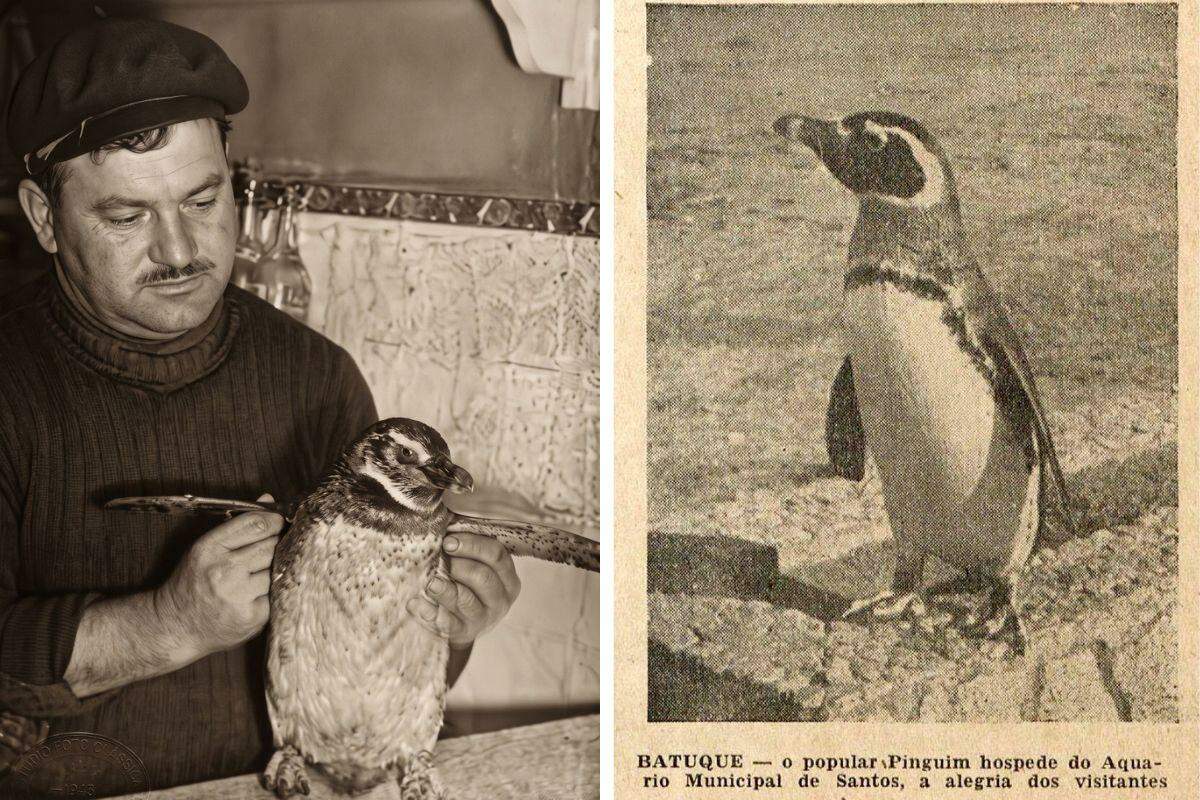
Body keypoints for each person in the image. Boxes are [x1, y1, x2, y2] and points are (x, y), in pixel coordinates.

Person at [0, 17, 521, 791]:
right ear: (45, 218)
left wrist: (452, 620)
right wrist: (166, 624)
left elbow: (378, 662)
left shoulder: (315, 378)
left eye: (203, 200)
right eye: (127, 216)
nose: (180, 250)